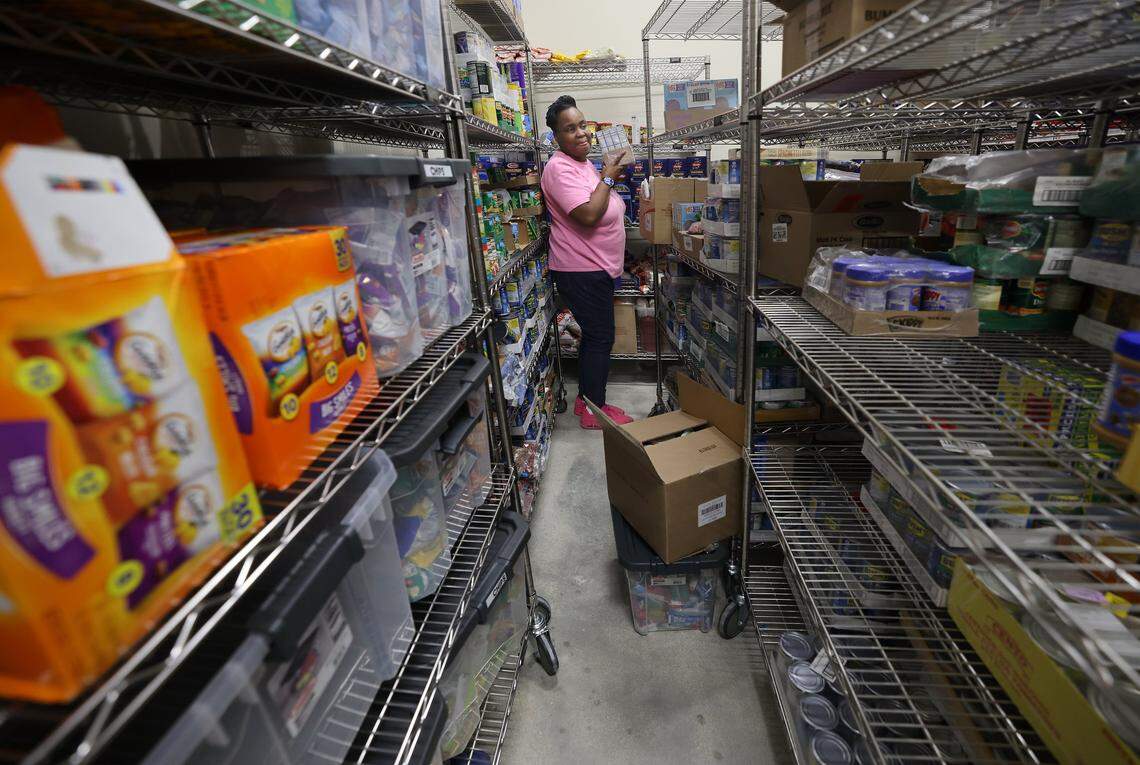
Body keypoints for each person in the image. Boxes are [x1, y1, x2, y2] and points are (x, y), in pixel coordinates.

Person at [540, 95, 634, 429]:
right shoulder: (557, 168)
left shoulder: (581, 164)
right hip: (581, 269)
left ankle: (586, 400)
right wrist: (607, 178)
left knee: (595, 337)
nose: (581, 133)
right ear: (556, 137)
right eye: (570, 129)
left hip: (597, 267)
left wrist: (607, 179)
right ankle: (594, 410)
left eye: (582, 125)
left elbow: (597, 198)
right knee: (600, 338)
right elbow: (589, 214)